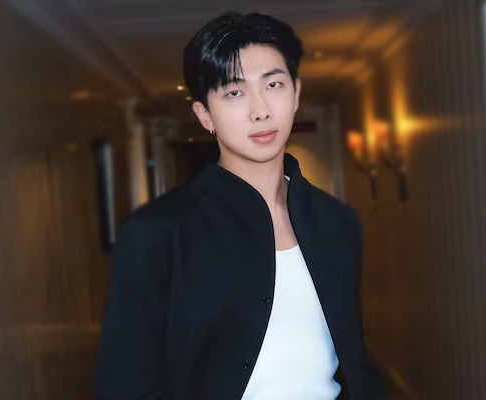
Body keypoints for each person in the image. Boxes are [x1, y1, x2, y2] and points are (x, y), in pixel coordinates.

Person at [94, 11, 385, 400]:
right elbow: (124, 386)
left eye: (273, 84)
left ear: (296, 95)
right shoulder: (157, 233)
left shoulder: (337, 222)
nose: (260, 110)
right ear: (205, 115)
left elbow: (352, 359)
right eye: (235, 92)